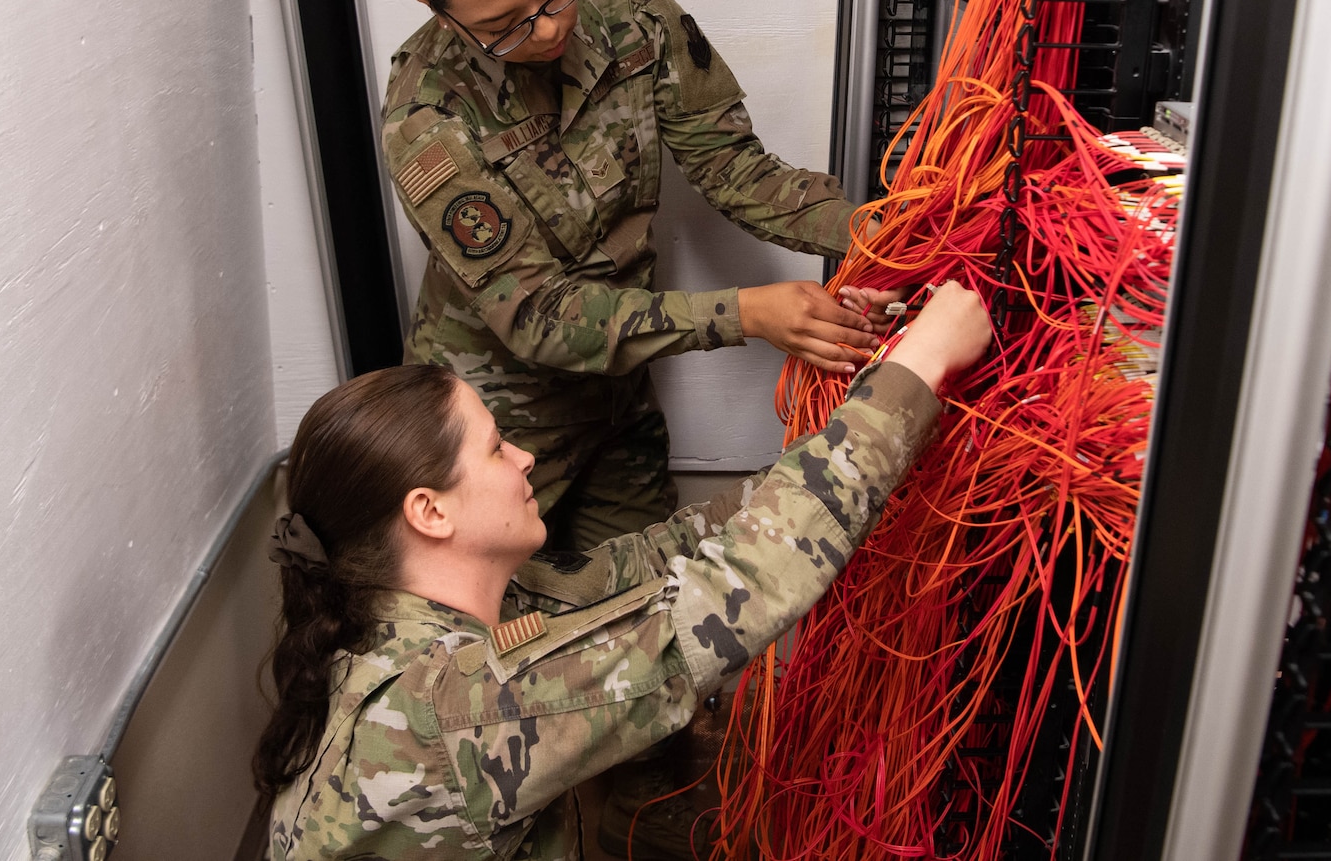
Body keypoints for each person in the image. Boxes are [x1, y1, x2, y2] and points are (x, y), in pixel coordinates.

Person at [256, 281, 992, 861]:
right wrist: (918, 367)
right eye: (493, 448)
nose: (524, 458)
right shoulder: (446, 710)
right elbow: (727, 596)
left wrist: (864, 402)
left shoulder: (427, 606)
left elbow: (662, 557)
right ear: (429, 511)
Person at [381, 0, 898, 556]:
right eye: (504, 26)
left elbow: (734, 167)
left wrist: (887, 231)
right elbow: (536, 314)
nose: (545, 29)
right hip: (494, 429)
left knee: (656, 612)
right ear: (437, 10)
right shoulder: (426, 117)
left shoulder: (629, 10)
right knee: (508, 647)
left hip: (619, 399)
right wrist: (744, 313)